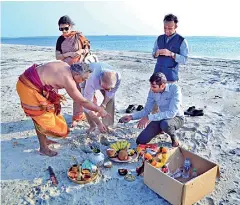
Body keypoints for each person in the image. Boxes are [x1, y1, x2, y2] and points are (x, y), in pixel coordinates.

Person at [16, 61, 109, 157]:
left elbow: (48, 76)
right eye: (83, 79)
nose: (82, 81)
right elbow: (82, 101)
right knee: (41, 118)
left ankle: (44, 140)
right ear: (76, 74)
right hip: (28, 87)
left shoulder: (65, 65)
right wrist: (99, 109)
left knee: (45, 114)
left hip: (29, 79)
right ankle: (43, 148)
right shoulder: (68, 79)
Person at [119, 72, 184, 147]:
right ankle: (160, 129)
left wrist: (148, 118)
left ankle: (174, 137)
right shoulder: (152, 91)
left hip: (177, 118)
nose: (151, 89)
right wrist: (131, 117)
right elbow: (146, 110)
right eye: (150, 86)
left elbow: (171, 113)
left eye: (154, 87)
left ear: (162, 85)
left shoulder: (175, 89)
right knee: (140, 141)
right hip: (161, 118)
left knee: (165, 124)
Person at [55, 15, 91, 124]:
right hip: (68, 70)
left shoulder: (79, 36)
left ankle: (86, 113)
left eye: (66, 28)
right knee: (74, 92)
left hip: (81, 68)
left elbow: (87, 49)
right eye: (61, 29)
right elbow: (57, 56)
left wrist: (80, 52)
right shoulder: (60, 39)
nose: (64, 31)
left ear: (70, 26)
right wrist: (69, 54)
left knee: (87, 90)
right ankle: (75, 116)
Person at [83, 62, 121, 133]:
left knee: (110, 100)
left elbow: (111, 92)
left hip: (103, 77)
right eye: (105, 88)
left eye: (110, 88)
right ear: (100, 82)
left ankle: (107, 125)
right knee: (86, 101)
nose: (108, 90)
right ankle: (92, 125)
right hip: (87, 72)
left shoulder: (118, 77)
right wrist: (98, 123)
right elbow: (86, 104)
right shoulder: (92, 80)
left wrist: (103, 106)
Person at [152, 14, 189, 82]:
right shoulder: (159, 38)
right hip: (157, 77)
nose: (167, 30)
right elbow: (153, 55)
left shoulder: (182, 41)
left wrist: (171, 54)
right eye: (165, 28)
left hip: (171, 77)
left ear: (176, 26)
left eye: (170, 28)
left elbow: (184, 60)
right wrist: (156, 53)